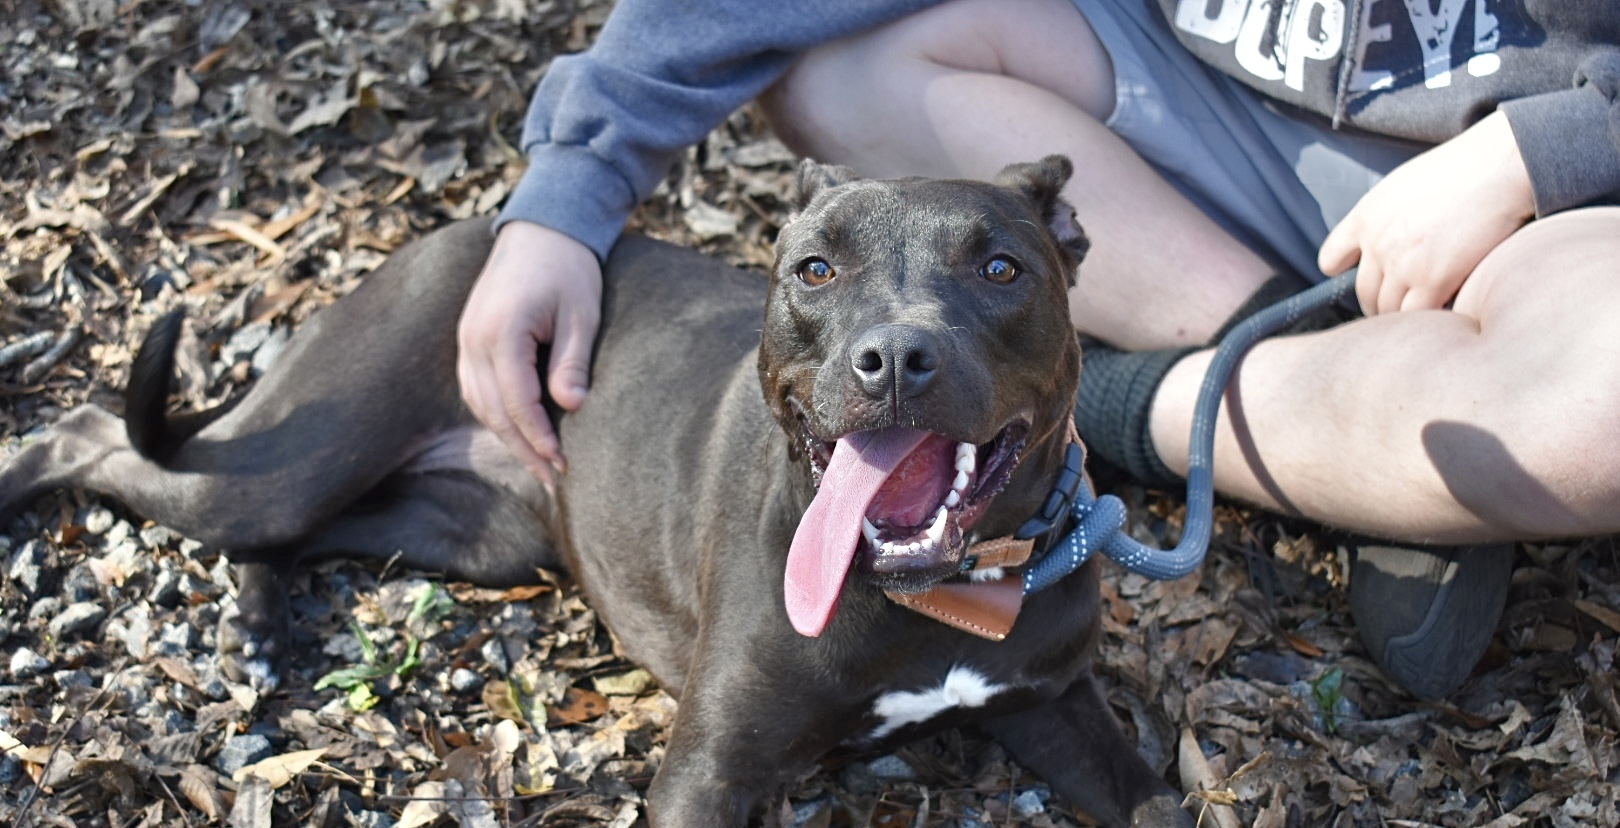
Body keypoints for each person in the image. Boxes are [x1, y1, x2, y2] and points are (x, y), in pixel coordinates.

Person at [456, 0, 1620, 699]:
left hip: (1533, 185)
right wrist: (567, 193)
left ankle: (1135, 403)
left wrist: (1539, 150)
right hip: (1192, 114)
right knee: (845, 73)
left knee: (1595, 412)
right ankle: (1310, 401)